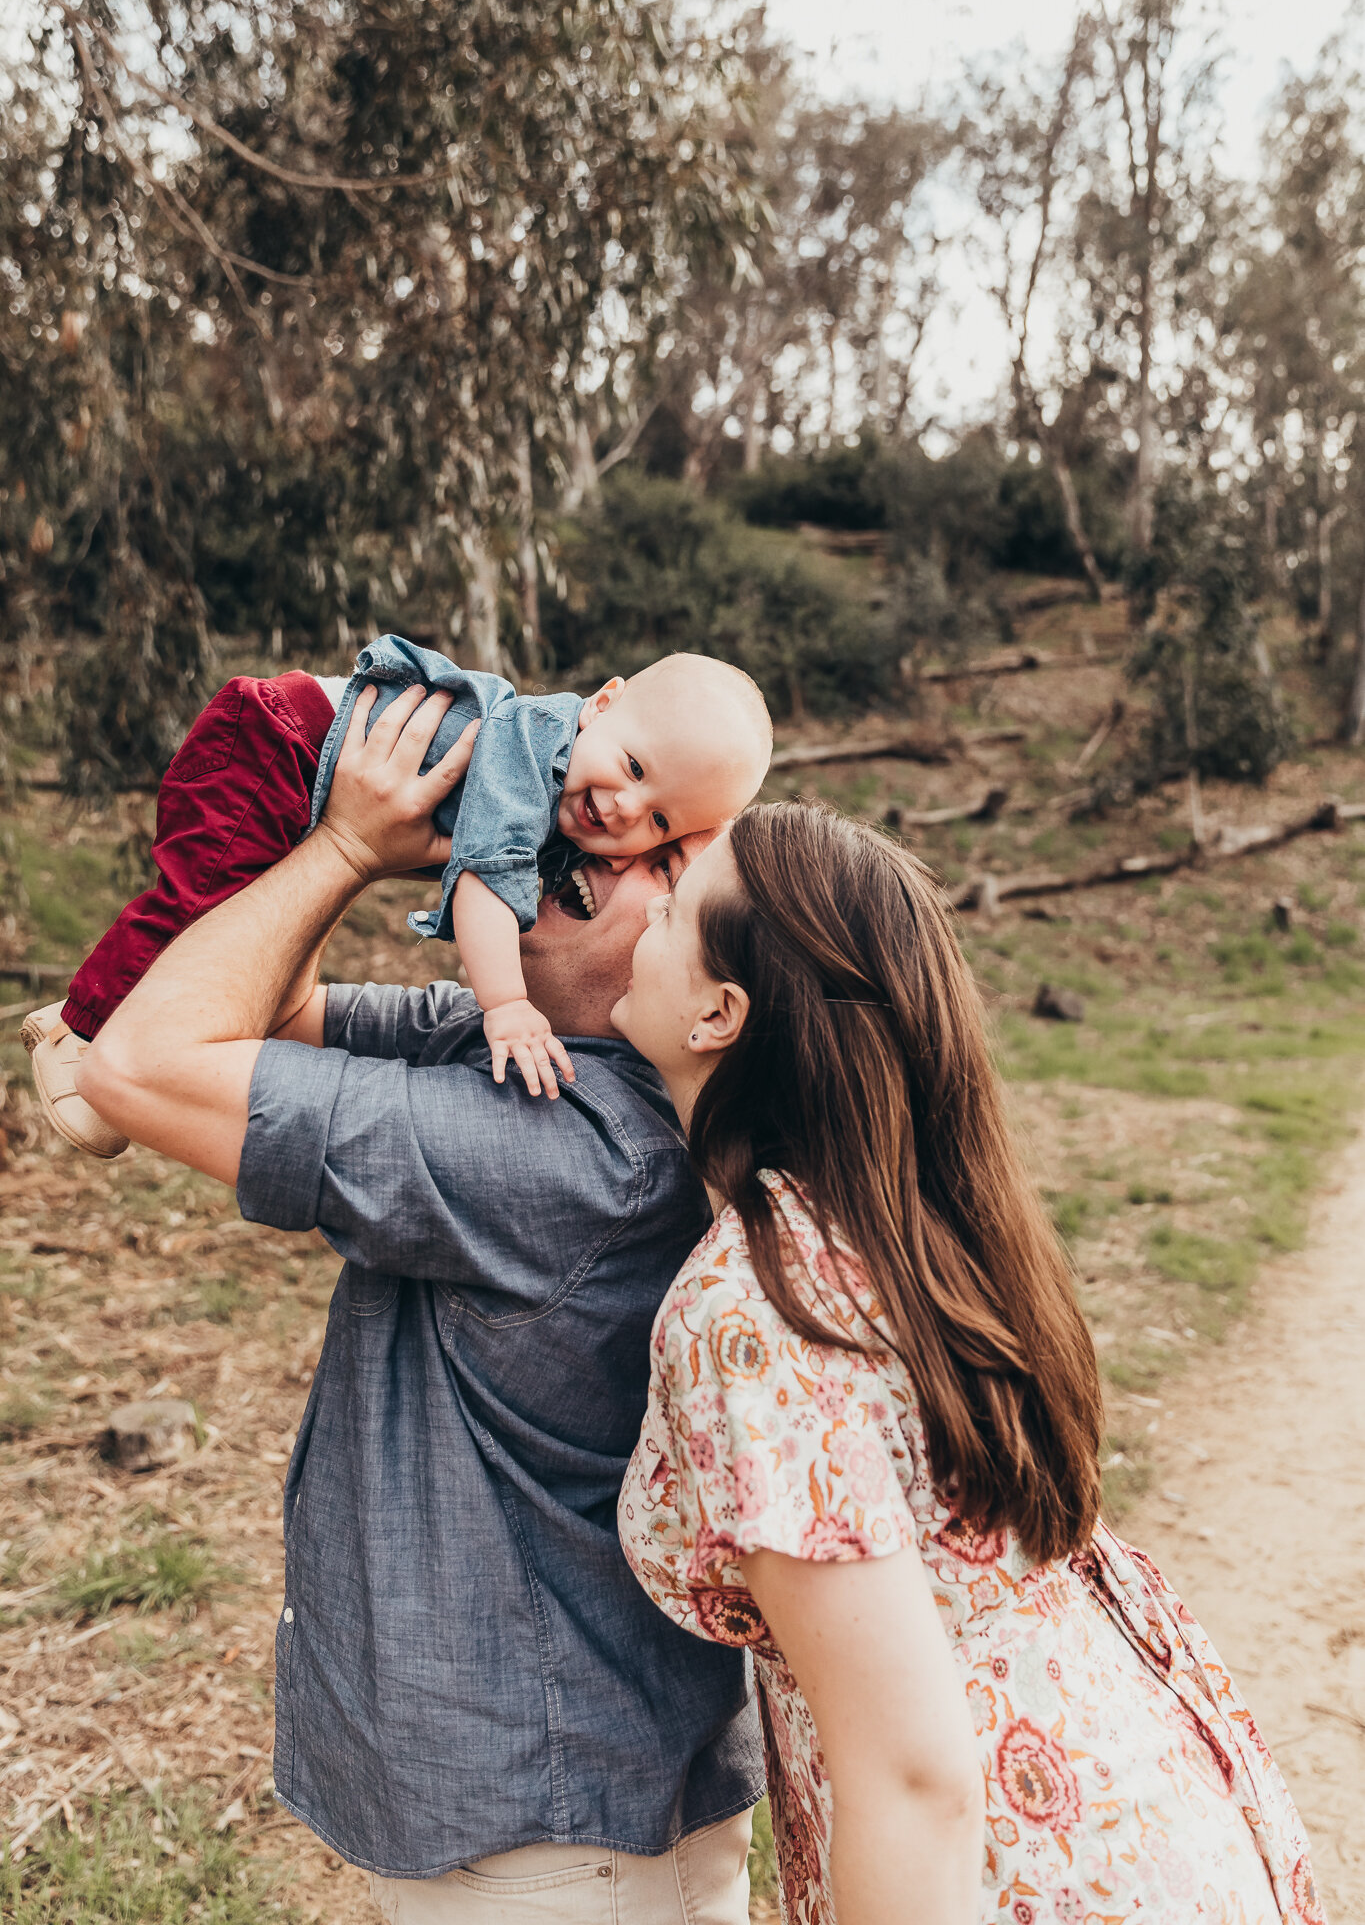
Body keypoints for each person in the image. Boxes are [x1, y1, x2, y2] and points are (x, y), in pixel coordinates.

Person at [75, 684, 766, 1923]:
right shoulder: (533, 1050)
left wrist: (343, 846)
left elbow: (139, 1063)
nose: (542, 859)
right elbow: (269, 1015)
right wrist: (381, 843)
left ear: (666, 960)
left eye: (571, 884)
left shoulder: (567, 1156)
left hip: (547, 1845)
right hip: (598, 1802)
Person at [613, 798, 1327, 1925]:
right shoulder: (905, 1221)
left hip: (1005, 1872)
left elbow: (915, 1777)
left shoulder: (751, 1311)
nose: (646, 898)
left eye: (679, 900)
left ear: (720, 1010)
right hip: (1133, 1811)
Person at [24, 637, 772, 1152]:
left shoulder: (582, 784)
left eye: (661, 822)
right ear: (602, 703)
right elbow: (483, 886)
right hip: (280, 741)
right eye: (634, 770)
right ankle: (83, 1030)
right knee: (204, 905)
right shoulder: (529, 752)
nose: (623, 812)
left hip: (305, 770)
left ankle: (93, 1011)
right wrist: (505, 1005)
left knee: (232, 919)